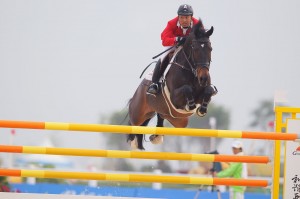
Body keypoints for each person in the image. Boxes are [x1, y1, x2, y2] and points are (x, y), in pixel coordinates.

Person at [147, 4, 199, 95]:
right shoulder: (171, 23)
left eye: (187, 17)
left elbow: (201, 38)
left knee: (201, 57)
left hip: (190, 46)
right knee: (163, 58)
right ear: (178, 17)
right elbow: (164, 40)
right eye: (181, 17)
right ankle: (155, 83)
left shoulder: (197, 24)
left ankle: (204, 82)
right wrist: (176, 39)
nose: (184, 20)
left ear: (191, 17)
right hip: (174, 44)